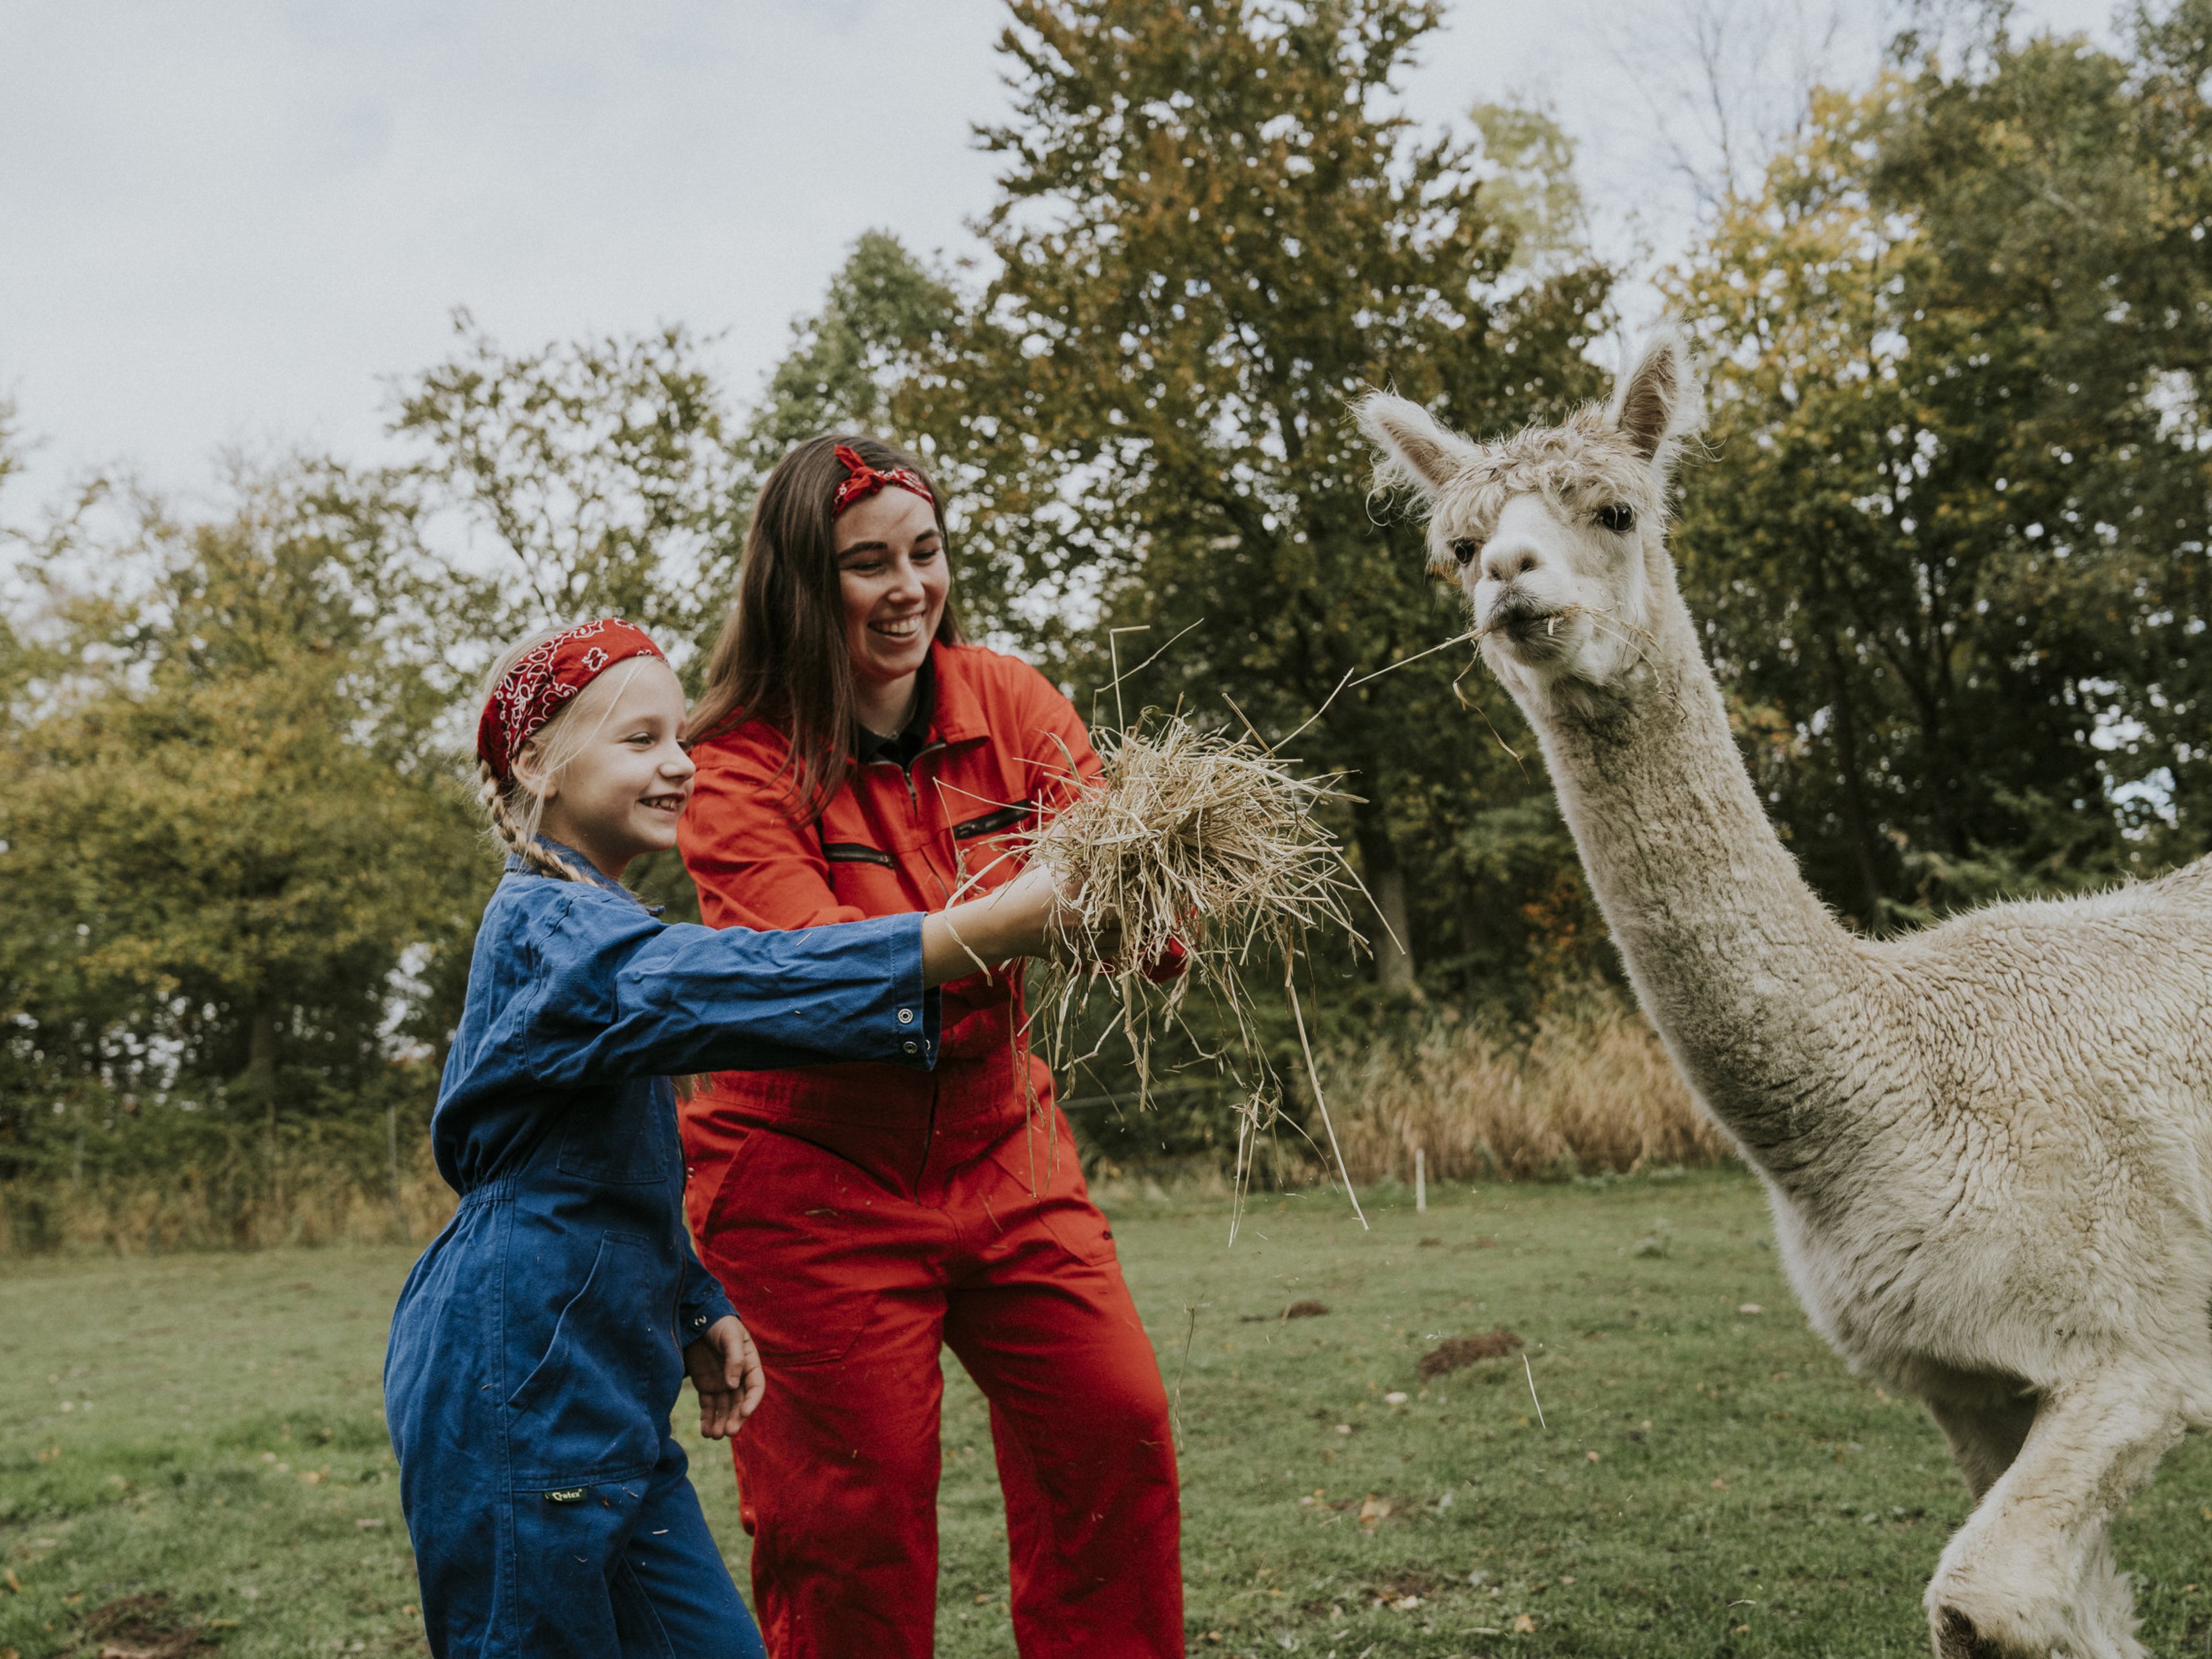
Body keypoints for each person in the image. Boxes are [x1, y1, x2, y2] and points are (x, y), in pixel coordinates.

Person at [384, 616, 1081, 1659]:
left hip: (611, 1392)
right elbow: (730, 984)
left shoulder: (600, 919)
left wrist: (693, 1301)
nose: (679, 764)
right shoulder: (546, 926)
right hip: (517, 1380)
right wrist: (977, 933)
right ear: (535, 761)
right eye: (640, 741)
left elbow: (604, 1167)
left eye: (681, 739)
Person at [676, 438, 1185, 1658]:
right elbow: (816, 978)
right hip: (809, 1177)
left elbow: (1131, 906)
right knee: (853, 1525)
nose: (908, 587)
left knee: (1115, 1429)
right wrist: (1013, 918)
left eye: (926, 553)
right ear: (801, 583)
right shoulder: (735, 761)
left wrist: (1154, 907)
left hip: (1005, 1143)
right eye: (867, 564)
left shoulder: (1009, 703)